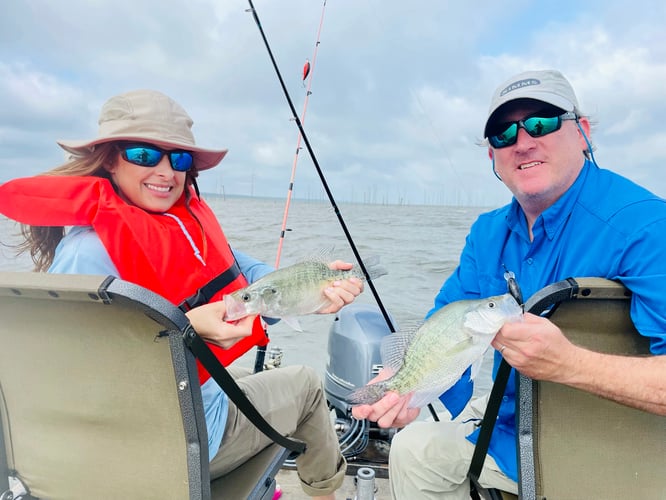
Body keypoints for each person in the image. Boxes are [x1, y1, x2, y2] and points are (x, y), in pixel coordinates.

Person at [0, 89, 364, 499]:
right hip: (173, 446)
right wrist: (187, 328)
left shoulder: (182, 228)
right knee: (308, 385)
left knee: (246, 376)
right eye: (143, 154)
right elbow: (78, 374)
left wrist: (308, 293)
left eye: (179, 159)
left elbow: (248, 274)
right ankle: (327, 492)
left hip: (176, 405)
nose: (166, 171)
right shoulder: (87, 253)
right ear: (109, 159)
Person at [351, 69, 666, 498]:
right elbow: (444, 329)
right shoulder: (487, 234)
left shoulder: (647, 226)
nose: (522, 141)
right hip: (509, 426)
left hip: (615, 456)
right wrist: (405, 383)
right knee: (414, 449)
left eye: (541, 122)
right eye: (503, 134)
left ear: (583, 132)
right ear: (492, 156)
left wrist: (572, 364)